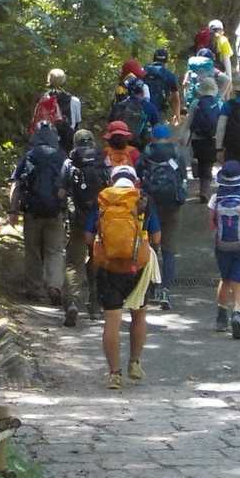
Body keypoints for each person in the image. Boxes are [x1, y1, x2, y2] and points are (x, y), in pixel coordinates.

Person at [86, 164, 162, 389]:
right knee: (139, 315)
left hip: (109, 267)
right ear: (135, 182)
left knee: (112, 320)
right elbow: (157, 237)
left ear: (112, 182)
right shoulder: (143, 200)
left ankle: (114, 374)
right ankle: (135, 363)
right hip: (138, 267)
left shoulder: (103, 201)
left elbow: (89, 238)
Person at [7, 122, 68, 308]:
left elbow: (16, 185)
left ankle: (35, 289)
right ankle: (54, 286)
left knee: (32, 250)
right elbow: (68, 185)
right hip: (55, 212)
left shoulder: (29, 156)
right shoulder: (61, 157)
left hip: (32, 212)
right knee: (55, 251)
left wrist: (13, 211)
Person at [209, 159, 240, 339]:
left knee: (225, 278)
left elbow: (212, 224)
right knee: (238, 280)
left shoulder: (215, 198)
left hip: (222, 245)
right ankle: (237, 312)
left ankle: (221, 317)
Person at [139, 124, 187, 310]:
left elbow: (138, 173)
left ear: (153, 137)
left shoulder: (147, 152)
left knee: (150, 246)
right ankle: (165, 290)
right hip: (172, 204)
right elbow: (182, 175)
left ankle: (149, 287)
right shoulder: (176, 152)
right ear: (168, 137)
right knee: (169, 249)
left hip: (151, 204)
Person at [64, 129, 109, 321]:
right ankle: (95, 304)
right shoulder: (102, 160)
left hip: (78, 218)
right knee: (97, 258)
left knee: (74, 261)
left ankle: (72, 302)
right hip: (100, 218)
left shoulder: (69, 162)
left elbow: (62, 191)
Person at [30, 68, 81, 152]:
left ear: (49, 81)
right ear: (64, 81)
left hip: (46, 140)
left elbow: (36, 121)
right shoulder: (74, 100)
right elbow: (77, 123)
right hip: (67, 141)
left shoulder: (42, 99)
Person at [187, 77, 222, 200]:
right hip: (212, 139)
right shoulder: (218, 103)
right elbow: (220, 124)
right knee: (208, 165)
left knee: (198, 160)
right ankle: (204, 191)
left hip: (197, 139)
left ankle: (198, 175)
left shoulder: (195, 103)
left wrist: (184, 137)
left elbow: (189, 122)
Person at [108, 77, 158, 148]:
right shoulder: (150, 107)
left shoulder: (118, 106)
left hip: (118, 145)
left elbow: (110, 125)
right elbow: (156, 127)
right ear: (143, 91)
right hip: (139, 145)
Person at [143, 49, 181, 121]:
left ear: (154, 59)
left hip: (142, 110)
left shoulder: (143, 71)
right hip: (159, 112)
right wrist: (177, 114)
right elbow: (175, 98)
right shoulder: (169, 75)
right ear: (166, 61)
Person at [206, 19, 234, 85]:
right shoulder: (223, 40)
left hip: (203, 70)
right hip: (218, 72)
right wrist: (229, 79)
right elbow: (226, 60)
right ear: (221, 29)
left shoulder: (205, 38)